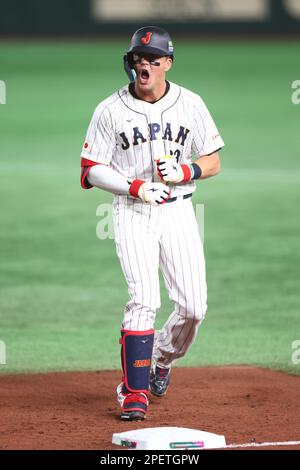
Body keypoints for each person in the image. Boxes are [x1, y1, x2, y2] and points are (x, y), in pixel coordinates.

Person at [80, 26, 224, 421]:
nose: (144, 66)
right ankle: (133, 392)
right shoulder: (109, 110)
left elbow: (213, 159)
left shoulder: (190, 103)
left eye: (153, 60)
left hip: (178, 211)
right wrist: (136, 186)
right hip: (132, 211)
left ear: (168, 64)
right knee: (144, 300)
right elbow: (91, 170)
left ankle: (161, 358)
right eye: (138, 60)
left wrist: (184, 170)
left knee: (194, 307)